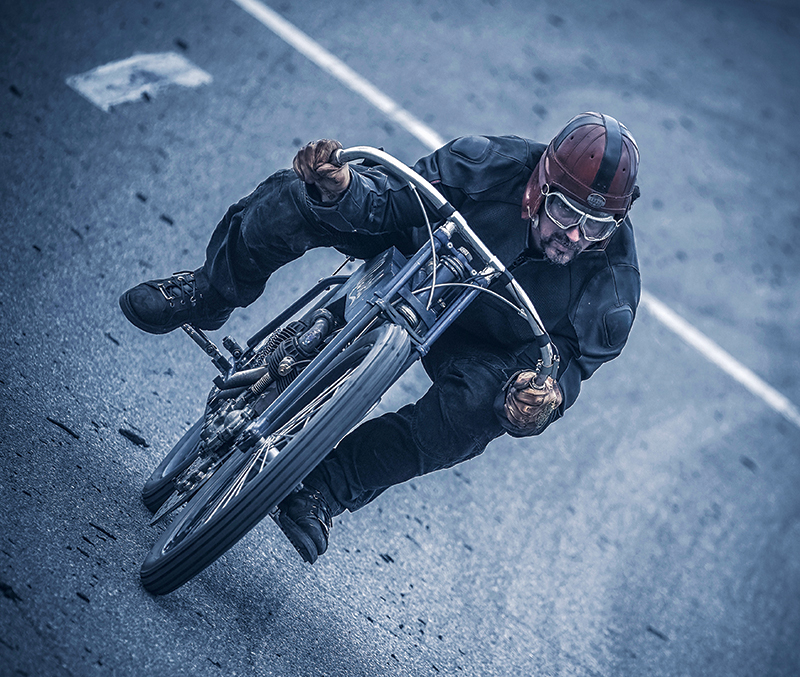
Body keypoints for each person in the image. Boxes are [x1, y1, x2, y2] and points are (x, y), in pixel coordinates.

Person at [120, 112, 641, 564]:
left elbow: (569, 363)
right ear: (538, 187)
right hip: (424, 255)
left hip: (488, 345)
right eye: (567, 212)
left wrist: (543, 397)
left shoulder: (614, 285)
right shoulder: (486, 164)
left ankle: (322, 488)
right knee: (294, 198)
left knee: (478, 412)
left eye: (597, 225)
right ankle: (207, 293)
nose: (576, 235)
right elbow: (394, 198)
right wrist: (342, 190)